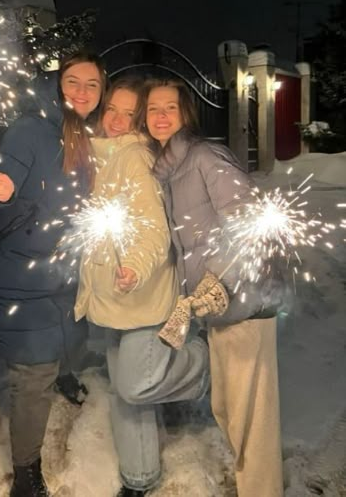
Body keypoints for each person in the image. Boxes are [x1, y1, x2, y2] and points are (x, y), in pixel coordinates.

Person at [137, 77, 284, 497]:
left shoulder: (205, 156)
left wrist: (216, 279)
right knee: (228, 410)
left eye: (170, 107)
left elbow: (245, 221)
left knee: (251, 420)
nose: (161, 116)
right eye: (153, 109)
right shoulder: (168, 170)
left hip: (246, 300)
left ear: (186, 114)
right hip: (218, 306)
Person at [0, 51, 106, 497]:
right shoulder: (30, 129)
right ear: (57, 85)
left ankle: (64, 374)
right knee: (32, 374)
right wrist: (3, 193)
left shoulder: (83, 133)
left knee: (69, 329)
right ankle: (26, 473)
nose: (82, 92)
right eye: (73, 82)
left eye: (92, 85)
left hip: (61, 262)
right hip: (21, 268)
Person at [74, 77, 209, 497]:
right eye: (111, 109)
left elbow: (153, 230)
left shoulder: (132, 157)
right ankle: (140, 477)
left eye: (129, 115)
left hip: (142, 294)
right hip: (112, 295)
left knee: (135, 384)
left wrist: (134, 266)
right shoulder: (98, 156)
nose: (116, 120)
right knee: (125, 391)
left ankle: (204, 367)